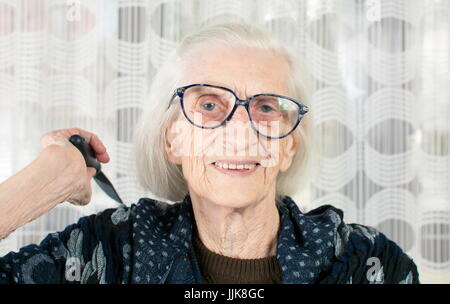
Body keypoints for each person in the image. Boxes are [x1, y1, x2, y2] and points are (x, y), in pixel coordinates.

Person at [0, 22, 419, 284]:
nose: (240, 130)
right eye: (208, 105)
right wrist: (41, 181)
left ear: (289, 146)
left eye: (266, 107)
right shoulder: (106, 253)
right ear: (172, 139)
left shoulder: (365, 264)